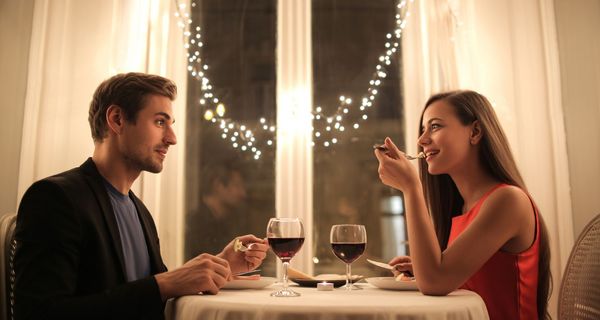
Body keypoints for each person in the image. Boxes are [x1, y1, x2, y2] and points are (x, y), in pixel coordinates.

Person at [14, 72, 268, 320]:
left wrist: (220, 266)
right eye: (160, 122)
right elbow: (39, 314)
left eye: (170, 125)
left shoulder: (139, 211)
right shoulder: (54, 199)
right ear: (117, 120)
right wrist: (164, 283)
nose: (172, 138)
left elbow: (150, 296)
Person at [374, 90, 551, 320]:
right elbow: (449, 278)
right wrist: (422, 267)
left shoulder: (508, 200)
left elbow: (435, 283)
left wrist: (411, 188)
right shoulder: (464, 206)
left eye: (435, 127)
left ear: (475, 132)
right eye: (423, 129)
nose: (421, 140)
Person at [185, 161, 249, 259]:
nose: (243, 193)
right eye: (237, 185)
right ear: (218, 185)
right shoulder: (198, 224)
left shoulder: (224, 220)